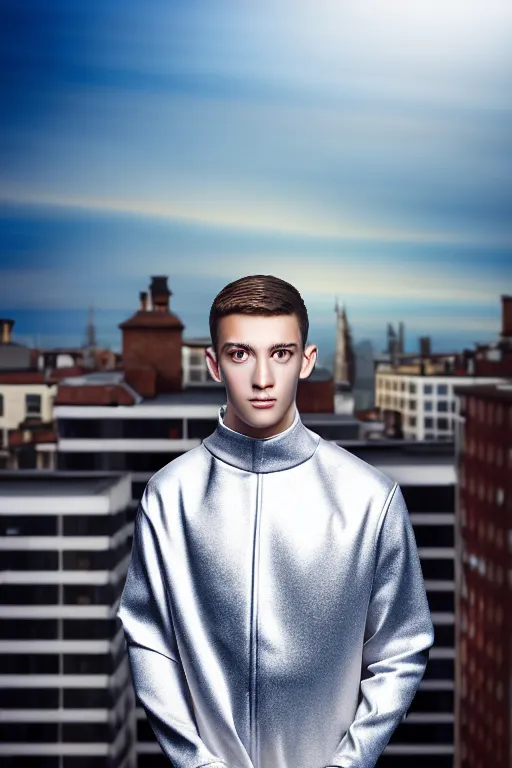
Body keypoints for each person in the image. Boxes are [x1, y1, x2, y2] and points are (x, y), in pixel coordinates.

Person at [117, 274, 434, 768]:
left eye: (281, 353)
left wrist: (348, 764)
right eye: (241, 354)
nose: (262, 377)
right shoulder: (170, 495)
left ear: (306, 361)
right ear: (214, 363)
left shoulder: (370, 497)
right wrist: (196, 763)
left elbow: (402, 647)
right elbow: (149, 640)